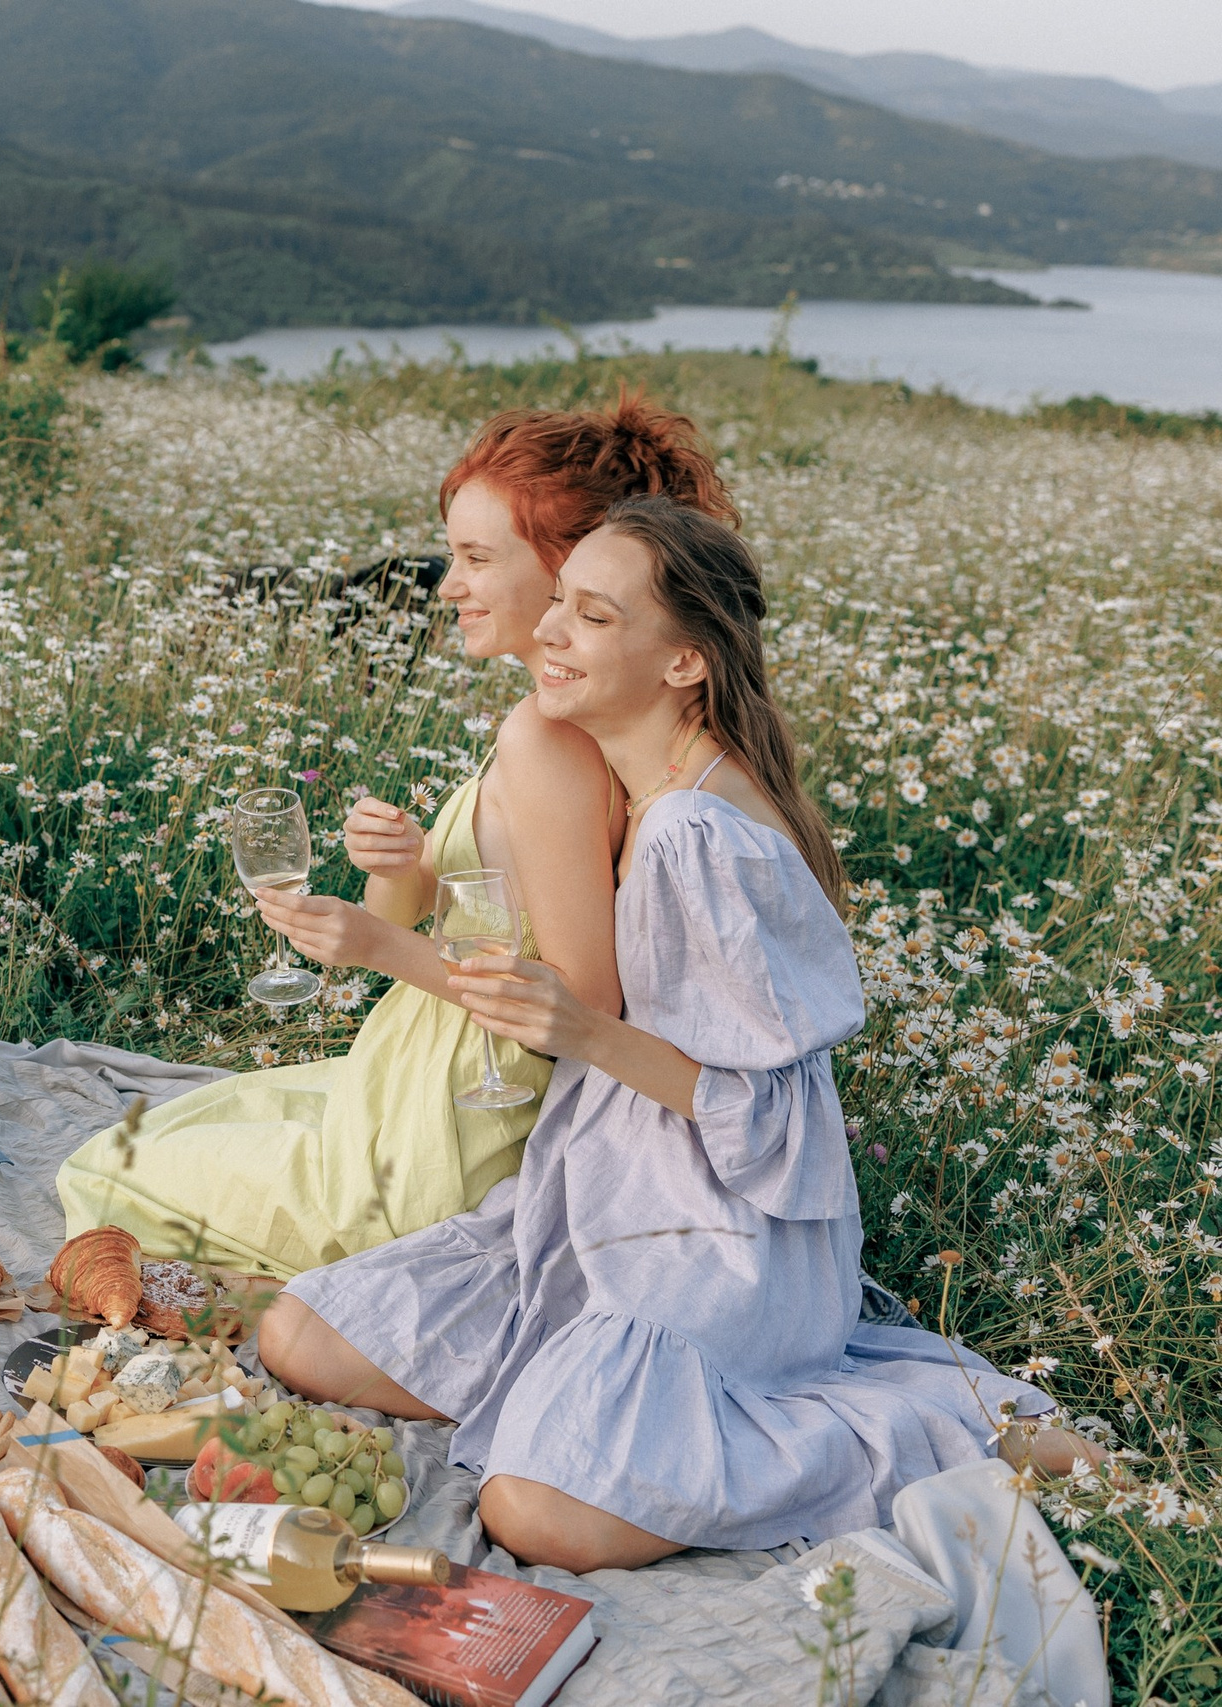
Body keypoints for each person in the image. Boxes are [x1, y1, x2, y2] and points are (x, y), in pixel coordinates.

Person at [258, 497, 1072, 1572]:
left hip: (719, 1233)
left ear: (683, 663)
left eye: (592, 618)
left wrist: (582, 1029)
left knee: (535, 1513)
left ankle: (955, 1426)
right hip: (601, 1184)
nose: (547, 632)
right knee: (300, 1335)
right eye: (557, 603)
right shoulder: (647, 789)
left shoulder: (697, 829)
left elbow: (775, 1117)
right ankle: (579, 1378)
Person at [55, 396, 740, 1278]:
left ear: (570, 567)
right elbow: (484, 911)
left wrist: (377, 943)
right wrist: (406, 868)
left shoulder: (548, 741)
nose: (446, 584)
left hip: (455, 1120)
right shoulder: (589, 714)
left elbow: (579, 1003)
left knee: (105, 1168)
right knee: (190, 1118)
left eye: (474, 558)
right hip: (415, 1064)